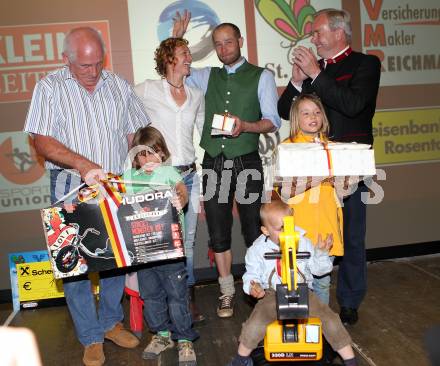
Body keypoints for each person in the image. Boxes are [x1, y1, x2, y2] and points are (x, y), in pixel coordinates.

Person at [23, 27, 150, 366]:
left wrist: (140, 161)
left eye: (98, 64)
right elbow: (42, 141)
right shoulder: (49, 88)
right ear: (67, 60)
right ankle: (90, 337)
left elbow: (136, 133)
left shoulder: (119, 86)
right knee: (75, 267)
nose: (93, 73)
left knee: (115, 260)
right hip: (68, 185)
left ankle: (109, 322)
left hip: (113, 185)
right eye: (84, 66)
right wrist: (83, 164)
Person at [277, 8, 381, 325]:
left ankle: (348, 301)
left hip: (349, 167)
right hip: (311, 169)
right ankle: (310, 296)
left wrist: (316, 74)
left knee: (350, 235)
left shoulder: (366, 63)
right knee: (310, 233)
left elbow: (353, 104)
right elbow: (286, 111)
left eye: (318, 32)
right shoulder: (313, 71)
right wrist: (296, 83)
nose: (313, 38)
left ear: (339, 32)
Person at [174, 11, 281, 318]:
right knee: (219, 231)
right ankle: (226, 291)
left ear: (240, 42)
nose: (223, 49)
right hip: (214, 162)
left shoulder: (262, 76)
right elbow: (176, 67)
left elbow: (272, 122)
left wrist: (245, 126)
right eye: (218, 44)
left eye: (228, 42)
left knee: (253, 230)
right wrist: (178, 39)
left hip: (246, 160)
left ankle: (258, 288)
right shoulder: (206, 76)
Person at [227, 200, 357, 366]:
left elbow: (319, 270)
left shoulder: (303, 242)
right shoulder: (257, 250)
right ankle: (240, 359)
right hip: (272, 294)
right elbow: (251, 274)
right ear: (265, 230)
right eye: (281, 228)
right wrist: (253, 287)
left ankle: (350, 360)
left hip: (303, 293)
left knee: (330, 319)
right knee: (255, 323)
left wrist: (322, 254)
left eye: (290, 225)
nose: (288, 231)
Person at [134, 37, 205, 322]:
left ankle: (187, 302)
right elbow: (127, 122)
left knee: (187, 243)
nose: (189, 58)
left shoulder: (197, 94)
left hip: (188, 176)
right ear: (168, 59)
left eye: (188, 53)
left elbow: (204, 131)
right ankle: (160, 307)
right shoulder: (146, 90)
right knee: (161, 244)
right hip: (159, 180)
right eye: (184, 53)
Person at [123, 126, 199, 365]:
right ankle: (162, 335)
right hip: (144, 253)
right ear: (135, 156)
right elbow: (113, 199)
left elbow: (182, 191)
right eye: (142, 154)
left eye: (153, 152)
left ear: (163, 153)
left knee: (177, 297)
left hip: (171, 251)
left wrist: (181, 200)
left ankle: (185, 338)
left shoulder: (169, 174)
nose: (148, 159)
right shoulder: (128, 178)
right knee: (151, 296)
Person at [282, 93, 343, 305]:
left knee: (323, 281)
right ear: (296, 118)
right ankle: (300, 329)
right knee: (298, 282)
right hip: (300, 227)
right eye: (306, 113)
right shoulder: (287, 147)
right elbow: (284, 192)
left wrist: (342, 180)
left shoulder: (333, 148)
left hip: (326, 226)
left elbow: (344, 190)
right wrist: (317, 178)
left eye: (317, 112)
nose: (313, 117)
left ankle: (320, 331)